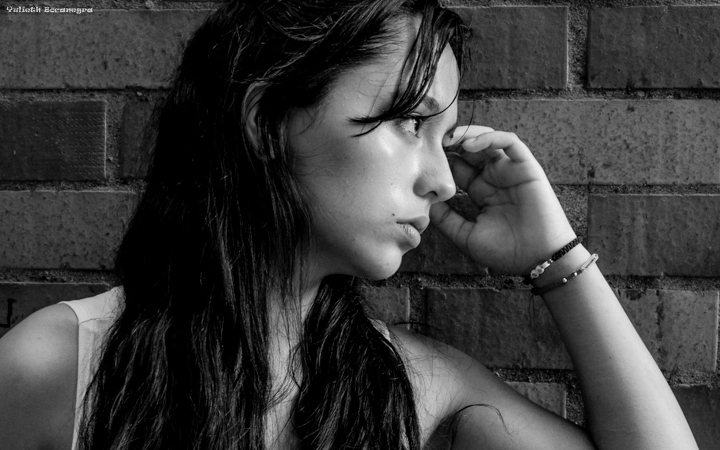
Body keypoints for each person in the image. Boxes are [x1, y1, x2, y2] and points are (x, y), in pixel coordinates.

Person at [0, 1, 699, 449]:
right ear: (267, 122)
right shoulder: (61, 365)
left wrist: (557, 257)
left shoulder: (412, 384)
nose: (444, 181)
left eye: (445, 137)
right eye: (410, 122)